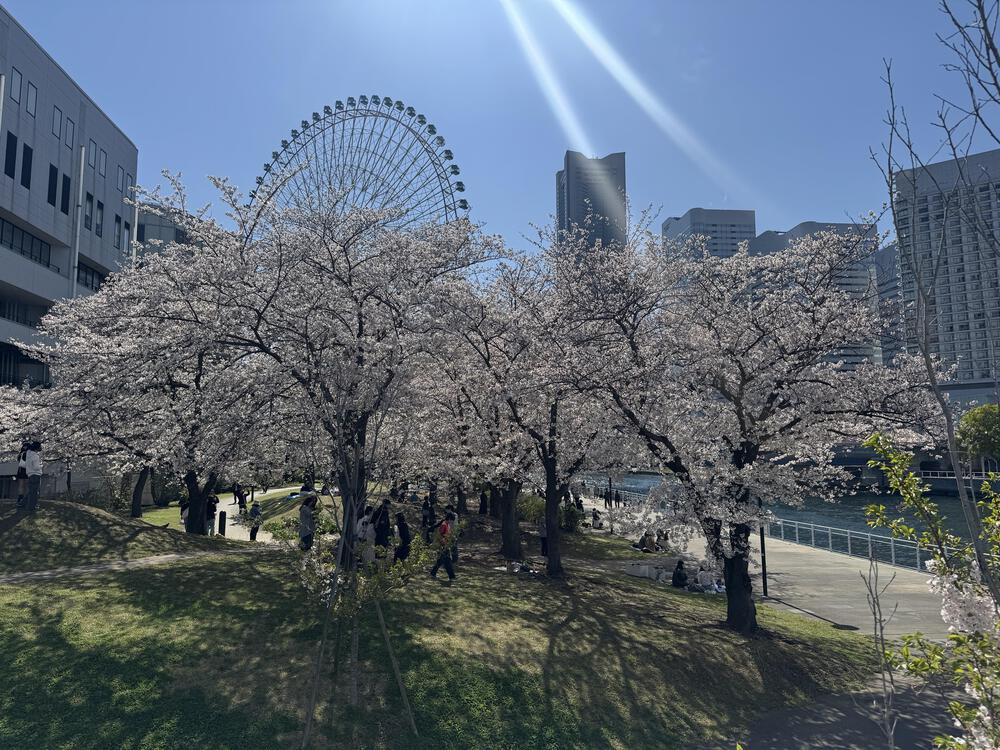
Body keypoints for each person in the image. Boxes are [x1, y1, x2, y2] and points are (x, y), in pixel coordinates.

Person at [430, 511, 456, 581]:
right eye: (452, 520)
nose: (452, 522)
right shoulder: (444, 524)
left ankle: (433, 573)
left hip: (445, 545)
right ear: (449, 519)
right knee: (447, 561)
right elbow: (440, 535)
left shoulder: (447, 524)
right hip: (442, 546)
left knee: (440, 561)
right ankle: (452, 577)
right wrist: (443, 543)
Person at [372, 497, 393, 562]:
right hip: (382, 532)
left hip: (378, 531)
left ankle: (377, 558)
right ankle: (381, 560)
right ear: (386, 504)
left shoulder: (378, 510)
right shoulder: (383, 511)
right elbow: (384, 523)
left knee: (378, 545)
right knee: (382, 545)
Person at [14, 442, 27, 510]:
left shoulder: (20, 454)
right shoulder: (26, 454)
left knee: (22, 486)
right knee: (23, 486)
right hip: (24, 470)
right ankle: (22, 499)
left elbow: (19, 461)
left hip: (21, 470)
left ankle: (21, 499)